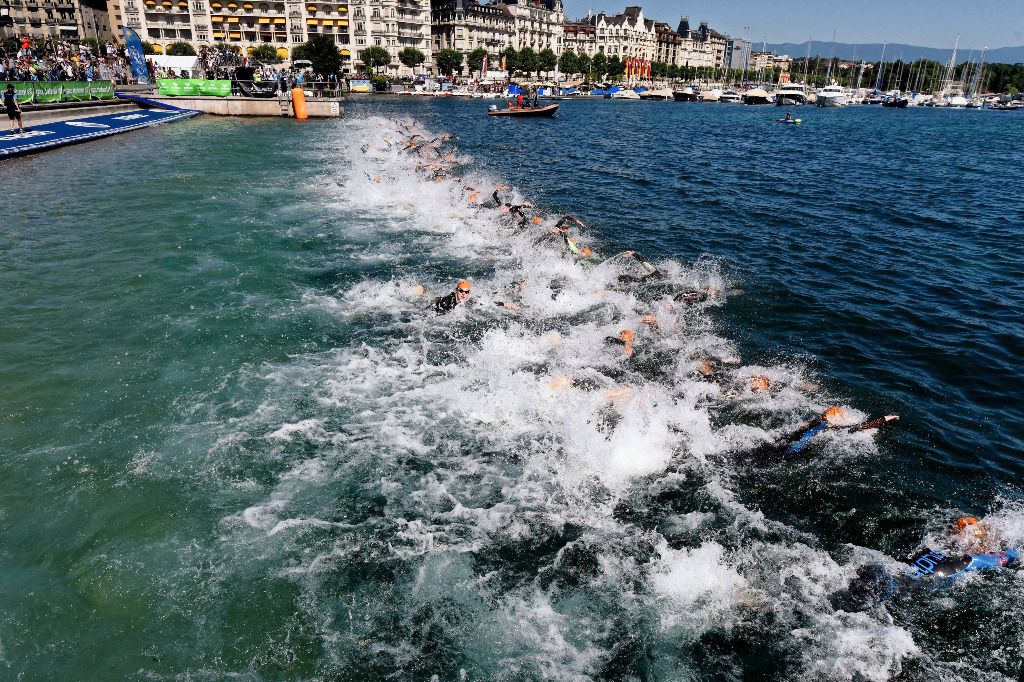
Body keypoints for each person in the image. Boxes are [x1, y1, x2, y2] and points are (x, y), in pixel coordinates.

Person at [780, 406, 899, 456]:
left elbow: (796, 431)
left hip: (786, 444)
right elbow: (868, 425)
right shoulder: (839, 428)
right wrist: (890, 417)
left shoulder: (815, 422)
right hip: (796, 450)